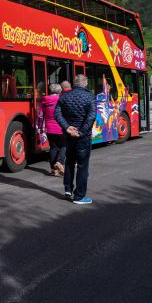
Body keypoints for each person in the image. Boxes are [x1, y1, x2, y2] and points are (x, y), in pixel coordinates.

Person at [54, 74, 97, 205]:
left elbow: (57, 113)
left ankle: (68, 190)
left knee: (69, 162)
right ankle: (79, 196)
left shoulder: (64, 96)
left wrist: (67, 128)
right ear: (86, 83)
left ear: (74, 83)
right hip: (83, 137)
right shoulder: (90, 97)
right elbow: (91, 116)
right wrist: (81, 132)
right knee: (83, 166)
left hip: (68, 136)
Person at [40, 83, 66, 177]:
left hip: (49, 128)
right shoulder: (62, 99)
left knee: (53, 147)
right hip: (61, 127)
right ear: (59, 91)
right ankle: (59, 162)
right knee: (64, 145)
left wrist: (40, 127)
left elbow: (40, 115)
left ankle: (53, 169)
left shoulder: (45, 100)